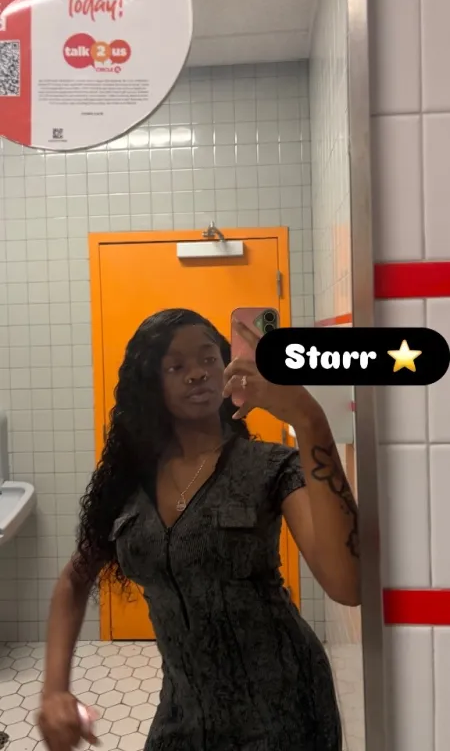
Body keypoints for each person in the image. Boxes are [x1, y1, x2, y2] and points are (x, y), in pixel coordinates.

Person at [38, 308, 360, 751]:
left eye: (209, 359)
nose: (197, 373)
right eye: (176, 366)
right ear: (150, 385)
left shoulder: (271, 467)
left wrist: (308, 418)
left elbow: (347, 584)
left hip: (284, 708)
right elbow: (74, 580)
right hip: (184, 711)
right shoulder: (129, 482)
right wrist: (55, 689)